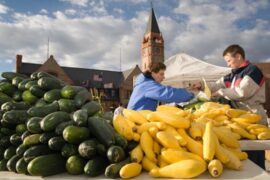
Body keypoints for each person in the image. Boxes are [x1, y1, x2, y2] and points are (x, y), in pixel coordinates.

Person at [192, 44, 268, 169]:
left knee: (255, 156)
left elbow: (243, 92)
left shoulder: (253, 71)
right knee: (243, 155)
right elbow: (217, 85)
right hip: (239, 119)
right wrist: (200, 85)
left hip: (255, 118)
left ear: (238, 56)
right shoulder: (233, 74)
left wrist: (221, 93)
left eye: (229, 61)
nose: (228, 64)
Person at [127, 62, 194, 111]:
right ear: (153, 73)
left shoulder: (145, 83)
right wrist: (191, 95)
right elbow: (168, 94)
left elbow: (167, 91)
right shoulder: (147, 85)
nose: (163, 77)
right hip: (136, 122)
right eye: (161, 74)